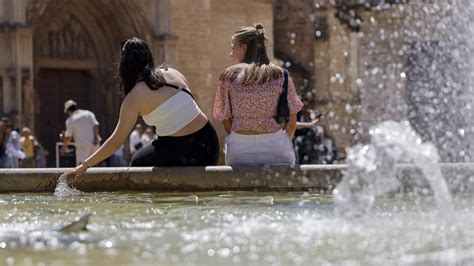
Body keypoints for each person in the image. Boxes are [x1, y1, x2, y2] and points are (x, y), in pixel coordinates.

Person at [64, 37, 220, 179]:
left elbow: (116, 142)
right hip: (209, 145)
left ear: (124, 66)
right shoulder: (173, 73)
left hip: (184, 151)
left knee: (138, 165)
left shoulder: (133, 98)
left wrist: (85, 165)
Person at [213, 23, 304, 165]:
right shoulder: (281, 75)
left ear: (244, 48)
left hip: (239, 150)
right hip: (277, 149)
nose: (230, 54)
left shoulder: (228, 76)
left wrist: (239, 137)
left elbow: (225, 120)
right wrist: (284, 139)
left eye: (233, 48)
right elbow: (292, 122)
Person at [62, 100, 101, 166]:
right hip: (94, 142)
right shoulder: (88, 113)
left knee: (81, 165)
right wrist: (96, 137)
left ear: (68, 111)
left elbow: (68, 137)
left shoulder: (70, 120)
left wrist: (64, 147)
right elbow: (95, 125)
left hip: (82, 145)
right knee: (95, 163)